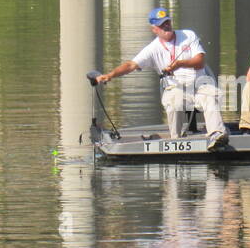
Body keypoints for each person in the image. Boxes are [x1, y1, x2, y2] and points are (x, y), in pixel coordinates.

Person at [97, 8, 229, 151]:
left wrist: (179, 64)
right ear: (154, 29)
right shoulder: (152, 49)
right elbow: (131, 65)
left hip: (199, 84)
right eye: (162, 24)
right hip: (175, 87)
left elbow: (200, 62)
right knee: (174, 100)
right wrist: (109, 75)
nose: (166, 26)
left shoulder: (188, 35)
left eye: (167, 22)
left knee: (210, 96)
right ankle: (176, 141)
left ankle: (218, 135)